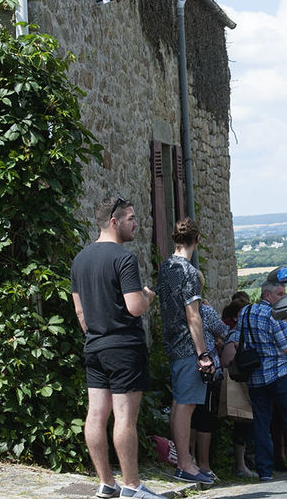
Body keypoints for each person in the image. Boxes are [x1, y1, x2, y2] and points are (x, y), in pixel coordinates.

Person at [70, 197, 166, 499]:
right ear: (114, 221)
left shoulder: (80, 260)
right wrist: (149, 295)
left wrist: (96, 334)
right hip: (124, 346)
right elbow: (135, 307)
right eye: (131, 219)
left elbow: (80, 313)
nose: (135, 224)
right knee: (125, 418)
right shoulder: (123, 258)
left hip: (94, 345)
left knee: (96, 414)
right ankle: (132, 486)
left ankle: (106, 483)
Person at [155, 218, 215, 485]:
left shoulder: (165, 266)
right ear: (197, 240)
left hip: (171, 342)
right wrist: (203, 354)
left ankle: (185, 460)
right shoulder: (189, 273)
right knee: (186, 405)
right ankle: (185, 463)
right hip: (187, 346)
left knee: (180, 402)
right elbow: (194, 317)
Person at [239, 271, 287, 481]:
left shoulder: (245, 312)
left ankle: (265, 470)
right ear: (268, 295)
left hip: (255, 377)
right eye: (280, 294)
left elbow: (238, 337)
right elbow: (286, 346)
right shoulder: (276, 314)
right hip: (278, 374)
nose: (283, 298)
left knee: (262, 424)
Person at [221, 298, 258, 479]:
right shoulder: (236, 335)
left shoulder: (239, 333)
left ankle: (244, 465)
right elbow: (227, 361)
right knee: (243, 424)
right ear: (237, 316)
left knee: (245, 426)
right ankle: (241, 465)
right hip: (239, 383)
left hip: (242, 382)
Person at [193, 297, 227, 480]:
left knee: (190, 415)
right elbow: (224, 331)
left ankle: (189, 460)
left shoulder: (175, 310)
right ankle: (204, 465)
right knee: (205, 418)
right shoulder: (205, 311)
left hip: (186, 367)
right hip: (207, 369)